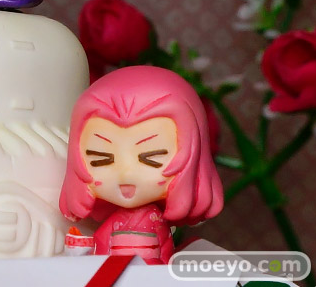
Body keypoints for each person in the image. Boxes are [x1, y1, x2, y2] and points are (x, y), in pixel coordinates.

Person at [59, 66, 223, 264]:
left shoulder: (154, 222)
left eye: (151, 159)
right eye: (101, 159)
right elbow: (100, 246)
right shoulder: (116, 222)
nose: (126, 174)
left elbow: (162, 255)